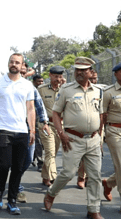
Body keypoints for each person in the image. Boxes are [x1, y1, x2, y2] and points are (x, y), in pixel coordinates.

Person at [44, 57, 104, 219]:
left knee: (95, 175)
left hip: (93, 139)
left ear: (90, 72)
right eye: (77, 70)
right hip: (72, 139)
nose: (79, 73)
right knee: (68, 172)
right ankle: (51, 193)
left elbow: (101, 115)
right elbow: (56, 113)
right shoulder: (67, 90)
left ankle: (93, 209)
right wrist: (61, 133)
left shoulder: (98, 91)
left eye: (83, 70)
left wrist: (100, 136)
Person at [0, 53, 35, 215]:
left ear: (22, 66)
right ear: (8, 63)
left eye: (18, 62)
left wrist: (32, 130)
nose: (14, 64)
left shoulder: (27, 85)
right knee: (5, 164)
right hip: (2, 129)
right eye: (12, 62)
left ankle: (12, 200)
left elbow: (30, 109)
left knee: (17, 167)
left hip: (21, 130)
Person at [17, 64, 50, 203]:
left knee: (29, 158)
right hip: (11, 128)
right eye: (20, 70)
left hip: (29, 127)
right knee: (12, 160)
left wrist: (44, 121)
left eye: (25, 70)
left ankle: (15, 178)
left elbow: (39, 104)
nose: (23, 72)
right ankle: (16, 188)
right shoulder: (4, 85)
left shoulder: (29, 87)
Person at [37, 66, 64, 187]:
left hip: (60, 125)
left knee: (54, 151)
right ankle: (53, 177)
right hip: (46, 124)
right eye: (56, 76)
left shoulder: (65, 89)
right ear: (50, 76)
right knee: (50, 151)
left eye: (60, 76)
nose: (58, 79)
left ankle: (45, 176)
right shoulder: (41, 89)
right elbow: (36, 107)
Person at [100, 63, 121, 209]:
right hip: (114, 131)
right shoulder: (108, 92)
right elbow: (101, 115)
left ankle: (109, 183)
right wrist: (99, 136)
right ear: (115, 74)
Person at [32, 74, 44, 172]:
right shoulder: (30, 91)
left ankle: (37, 159)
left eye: (42, 81)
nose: (40, 83)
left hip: (42, 121)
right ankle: (38, 160)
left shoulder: (44, 91)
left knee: (40, 142)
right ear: (34, 82)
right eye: (38, 82)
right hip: (32, 121)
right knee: (36, 141)